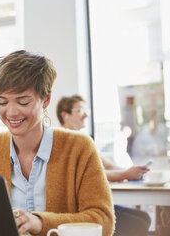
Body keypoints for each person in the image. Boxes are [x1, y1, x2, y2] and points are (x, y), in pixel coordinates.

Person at [0, 50, 114, 236]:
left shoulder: (79, 147)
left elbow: (103, 221)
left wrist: (39, 222)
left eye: (23, 102)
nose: (12, 112)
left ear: (45, 100)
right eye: (3, 102)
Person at [56, 94, 151, 236]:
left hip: (94, 203)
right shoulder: (62, 141)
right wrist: (125, 174)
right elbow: (88, 175)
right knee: (139, 224)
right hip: (79, 209)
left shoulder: (83, 140)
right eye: (80, 111)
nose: (86, 115)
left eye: (86, 110)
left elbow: (106, 165)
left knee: (144, 217)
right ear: (65, 116)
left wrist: (132, 171)